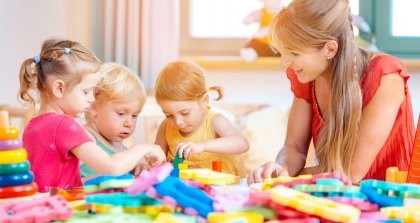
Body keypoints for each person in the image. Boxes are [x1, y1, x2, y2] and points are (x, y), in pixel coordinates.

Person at [247, 0, 414, 184]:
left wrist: (288, 179)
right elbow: (294, 147)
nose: (285, 62)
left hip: (392, 203)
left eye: (294, 53)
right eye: (283, 52)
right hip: (337, 198)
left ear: (330, 49)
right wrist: (282, 167)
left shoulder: (386, 74)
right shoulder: (307, 78)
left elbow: (351, 173)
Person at [19, 38, 166, 192]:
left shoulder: (33, 124)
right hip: (62, 206)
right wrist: (142, 148)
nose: (92, 98)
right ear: (59, 89)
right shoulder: (64, 124)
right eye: (86, 91)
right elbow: (111, 166)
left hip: (41, 204)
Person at [154, 60, 249, 177]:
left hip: (223, 188)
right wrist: (147, 163)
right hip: (186, 188)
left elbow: (242, 143)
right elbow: (156, 159)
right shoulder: (166, 126)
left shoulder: (215, 121)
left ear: (204, 101)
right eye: (169, 115)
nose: (178, 122)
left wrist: (203, 146)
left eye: (185, 113)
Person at [80, 62, 149, 179]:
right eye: (121, 114)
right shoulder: (86, 137)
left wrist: (139, 165)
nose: (129, 123)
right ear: (93, 107)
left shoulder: (121, 147)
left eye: (134, 115)